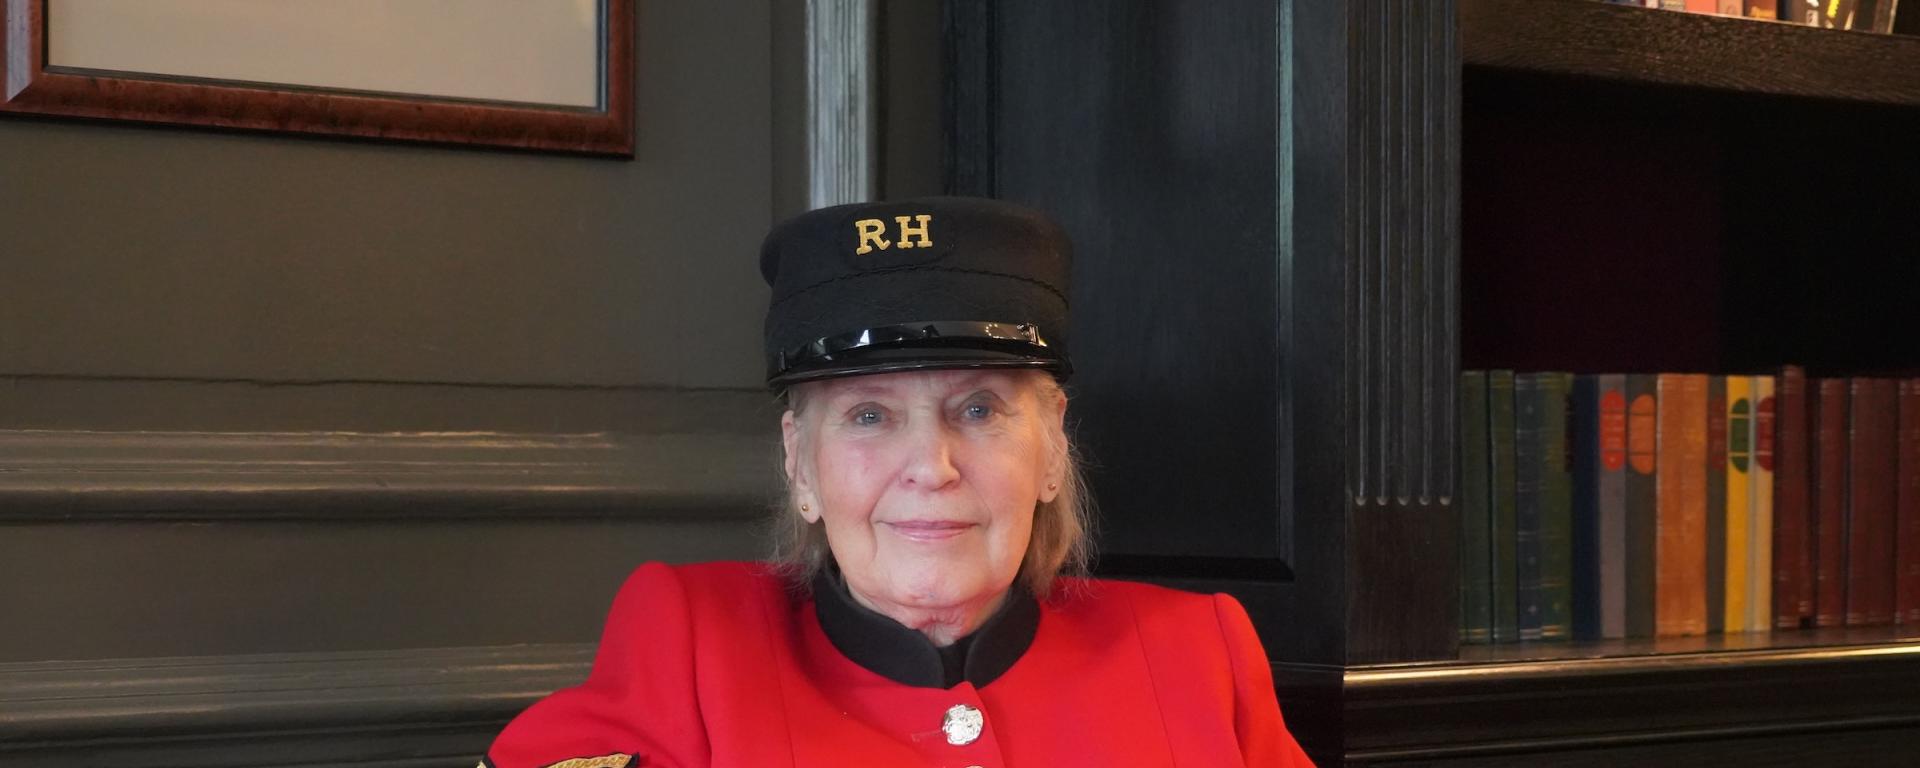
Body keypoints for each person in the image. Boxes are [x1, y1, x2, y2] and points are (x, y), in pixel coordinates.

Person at [481, 197, 1315, 767]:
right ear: (800, 463)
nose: (933, 466)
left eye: (981, 409)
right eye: (870, 415)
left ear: (1053, 448)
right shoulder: (690, 646)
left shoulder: (1196, 651)